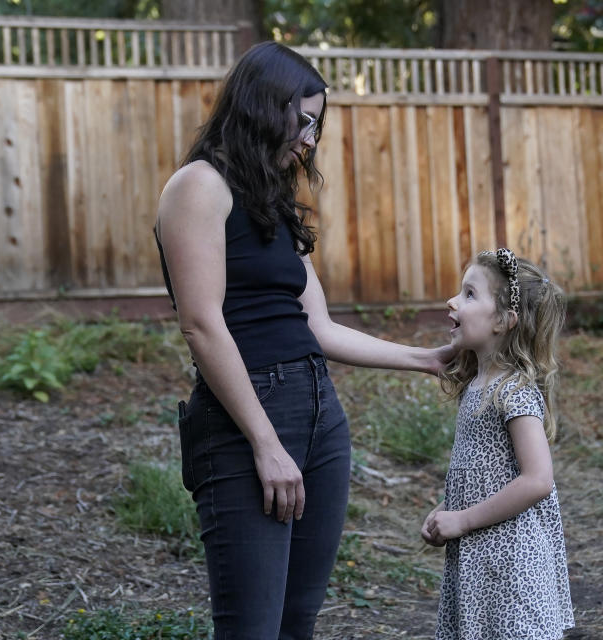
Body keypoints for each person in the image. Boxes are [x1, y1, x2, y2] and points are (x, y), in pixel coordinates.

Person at [153, 42, 452, 640]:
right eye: (305, 119)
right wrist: (265, 443)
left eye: (318, 123)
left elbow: (318, 327)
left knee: (295, 625)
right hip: (245, 422)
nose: (311, 139)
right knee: (252, 631)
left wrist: (427, 359)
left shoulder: (273, 203)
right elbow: (202, 324)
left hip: (319, 416)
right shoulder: (197, 187)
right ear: (267, 106)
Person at [421, 248, 575, 640]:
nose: (452, 301)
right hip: (482, 564)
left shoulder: (514, 392)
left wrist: (463, 519)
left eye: (470, 294)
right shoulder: (476, 386)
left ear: (505, 321)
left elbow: (538, 479)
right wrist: (447, 509)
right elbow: (485, 473)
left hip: (512, 570)